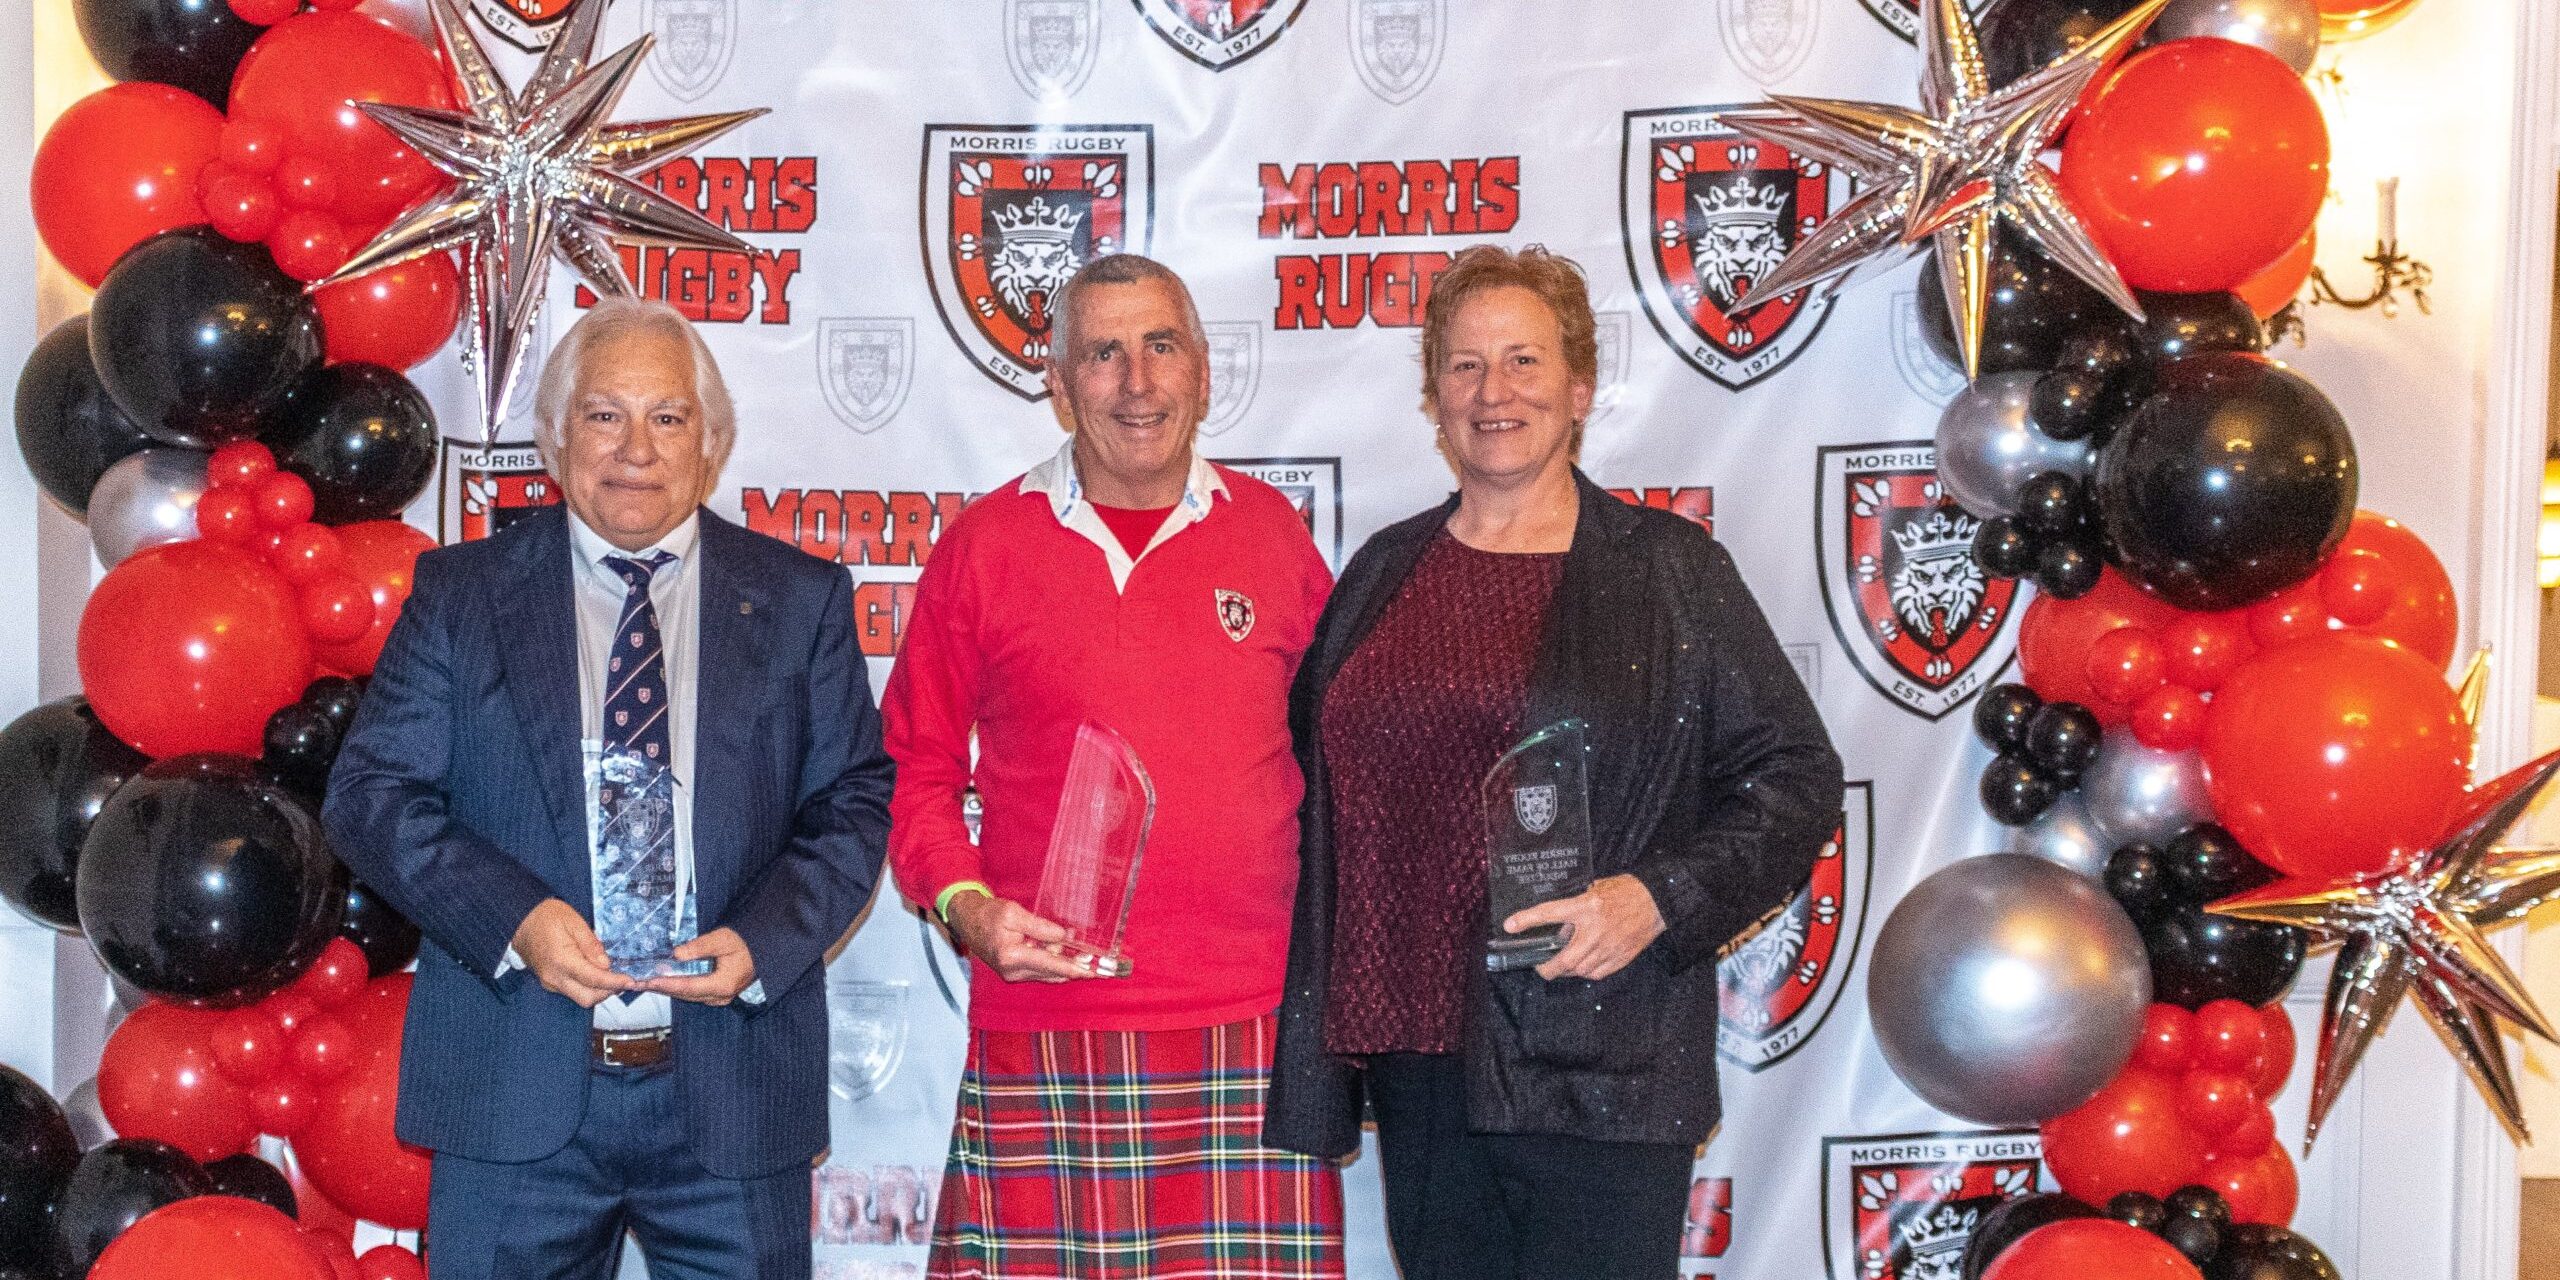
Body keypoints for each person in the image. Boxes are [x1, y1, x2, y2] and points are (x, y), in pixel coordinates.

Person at [1262, 244, 1843, 1278]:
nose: (1494, 392)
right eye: (1465, 365)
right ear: (1434, 395)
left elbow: (1794, 777)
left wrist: (1656, 897)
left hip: (1598, 1051)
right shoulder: (1384, 571)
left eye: (1523, 362)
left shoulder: (1668, 570)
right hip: (1420, 1059)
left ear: (1579, 388)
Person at [324, 297, 894, 1280]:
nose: (635, 446)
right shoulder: (460, 595)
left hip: (731, 1080)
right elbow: (373, 792)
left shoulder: (801, 599)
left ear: (710, 443)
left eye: (667, 417)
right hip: (515, 1083)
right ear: (554, 435)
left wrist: (765, 940)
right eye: (603, 414)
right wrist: (515, 920)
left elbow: (849, 803)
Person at [882, 253, 1343, 1279]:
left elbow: (1340, 766)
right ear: (1056, 383)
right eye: (1102, 353)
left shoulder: (1272, 537)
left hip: (1248, 1028)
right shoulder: (984, 547)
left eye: (1161, 345)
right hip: (1044, 1026)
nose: (1137, 381)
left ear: (1203, 372)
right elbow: (913, 769)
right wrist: (967, 904)